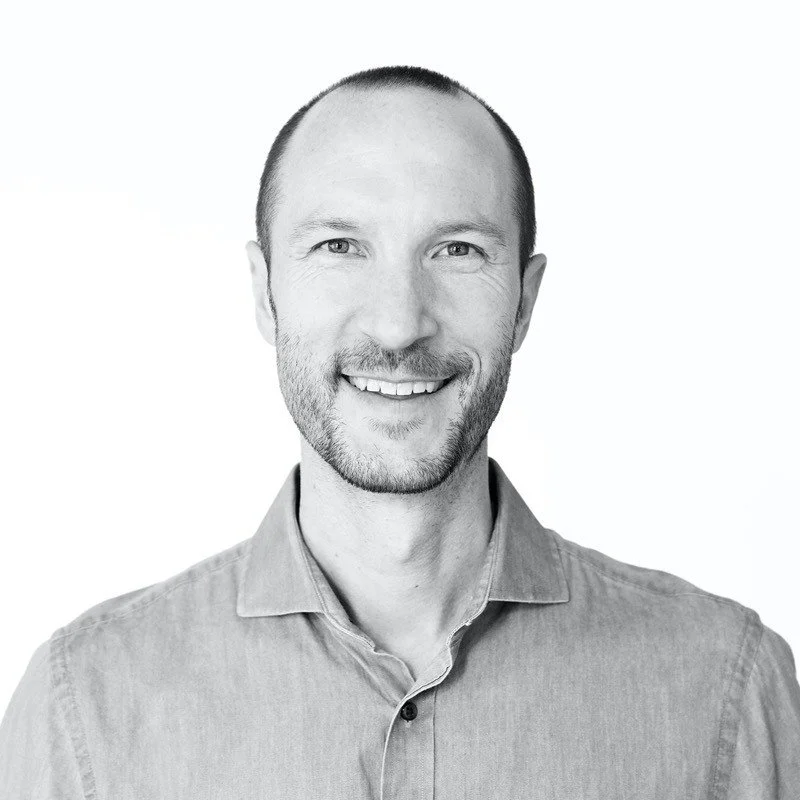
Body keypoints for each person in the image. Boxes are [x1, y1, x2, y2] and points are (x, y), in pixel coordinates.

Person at [1, 65, 798, 799]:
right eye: (338, 246)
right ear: (263, 290)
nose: (398, 322)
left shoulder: (727, 689)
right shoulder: (86, 708)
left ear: (524, 301)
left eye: (457, 250)